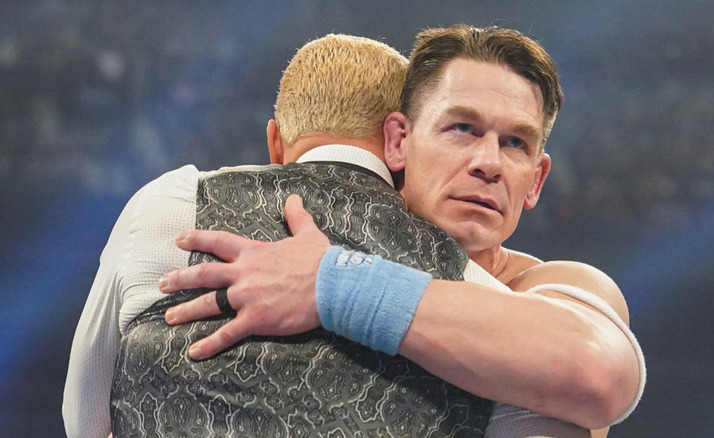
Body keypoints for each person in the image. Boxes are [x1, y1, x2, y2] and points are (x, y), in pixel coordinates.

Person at [64, 32, 598, 438]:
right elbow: (581, 397)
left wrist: (331, 281)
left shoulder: (169, 204)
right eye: (463, 129)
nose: (486, 163)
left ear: (276, 142)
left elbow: (83, 417)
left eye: (513, 143)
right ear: (398, 148)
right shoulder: (476, 292)